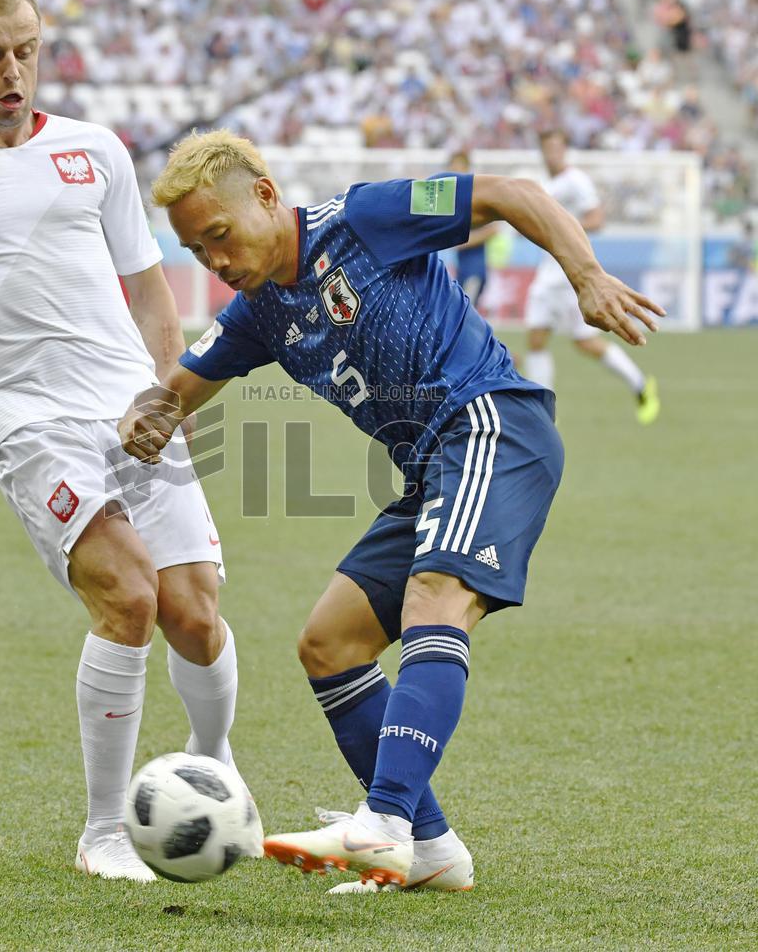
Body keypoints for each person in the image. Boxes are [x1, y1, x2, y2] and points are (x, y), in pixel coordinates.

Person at [117, 130, 664, 893]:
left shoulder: (364, 219)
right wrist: (142, 419)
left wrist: (587, 276)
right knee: (330, 643)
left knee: (434, 597)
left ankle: (384, 821)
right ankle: (432, 850)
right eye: (197, 250)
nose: (215, 260)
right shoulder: (257, 313)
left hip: (490, 425)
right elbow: (178, 388)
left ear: (266, 197)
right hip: (430, 470)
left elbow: (510, 194)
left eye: (219, 234)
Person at [0, 0, 254, 884]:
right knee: (129, 597)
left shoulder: (96, 151)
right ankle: (103, 832)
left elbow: (149, 287)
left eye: (27, 51)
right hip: (29, 423)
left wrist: (168, 398)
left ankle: (214, 763)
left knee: (195, 614)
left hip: (132, 410)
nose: (13, 70)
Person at [523, 129, 660, 425]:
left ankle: (639, 384)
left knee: (578, 342)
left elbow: (596, 218)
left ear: (565, 150)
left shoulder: (576, 181)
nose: (553, 154)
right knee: (539, 340)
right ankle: (544, 414)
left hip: (566, 277)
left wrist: (562, 228)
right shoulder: (548, 184)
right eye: (548, 148)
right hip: (549, 274)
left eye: (558, 148)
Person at [446, 149, 498, 308]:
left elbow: (493, 229)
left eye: (459, 167)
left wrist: (464, 241)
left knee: (466, 312)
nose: (455, 171)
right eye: (452, 167)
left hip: (475, 270)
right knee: (462, 312)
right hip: (462, 270)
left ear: (467, 169)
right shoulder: (453, 201)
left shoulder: (476, 196)